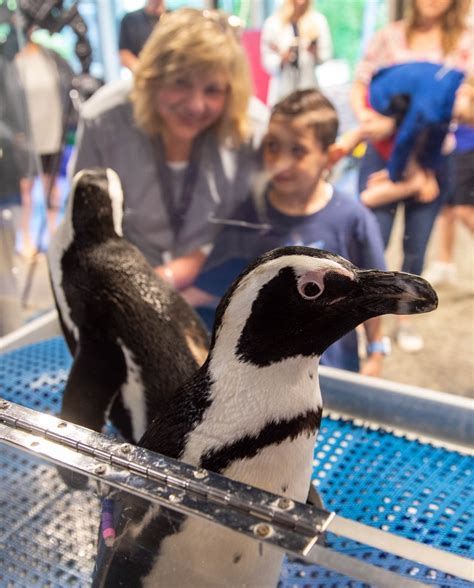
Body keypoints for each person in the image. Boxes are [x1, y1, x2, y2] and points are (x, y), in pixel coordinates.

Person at [184, 89, 388, 376]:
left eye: (298, 150)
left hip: (332, 371)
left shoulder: (352, 218)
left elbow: (373, 295)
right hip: (262, 373)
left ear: (330, 157)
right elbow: (214, 288)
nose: (280, 161)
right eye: (273, 146)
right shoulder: (247, 216)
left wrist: (376, 350)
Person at [71, 8, 268, 289]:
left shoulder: (252, 127)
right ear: (152, 78)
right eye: (180, 83)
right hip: (127, 285)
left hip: (221, 285)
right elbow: (87, 228)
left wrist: (191, 266)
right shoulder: (104, 122)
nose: (195, 106)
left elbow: (265, 219)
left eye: (212, 90)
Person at [350, 0, 473, 352]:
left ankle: (404, 319)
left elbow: (466, 107)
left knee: (415, 249)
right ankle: (366, 327)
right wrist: (369, 121)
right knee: (372, 244)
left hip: (435, 160)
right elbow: (361, 84)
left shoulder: (465, 42)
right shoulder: (387, 37)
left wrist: (452, 109)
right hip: (383, 153)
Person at [339, 64, 472, 209]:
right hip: (380, 103)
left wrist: (429, 167)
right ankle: (378, 191)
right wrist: (394, 173)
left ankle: (403, 178)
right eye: (460, 116)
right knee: (374, 195)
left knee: (427, 139)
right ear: (464, 93)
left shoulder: (452, 80)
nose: (456, 120)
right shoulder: (432, 105)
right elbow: (405, 138)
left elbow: (437, 138)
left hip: (394, 98)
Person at [14, 29, 75, 256]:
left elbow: (67, 84)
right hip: (26, 137)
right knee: (27, 189)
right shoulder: (14, 65)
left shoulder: (52, 58)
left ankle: (53, 234)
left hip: (52, 131)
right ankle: (27, 238)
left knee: (52, 187)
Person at [261, 0, 332, 106]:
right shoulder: (273, 23)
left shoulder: (318, 21)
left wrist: (315, 51)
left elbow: (325, 54)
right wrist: (282, 59)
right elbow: (267, 59)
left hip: (309, 85)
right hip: (283, 88)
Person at [118, 0, 165, 72]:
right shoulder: (130, 19)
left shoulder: (173, 17)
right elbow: (124, 54)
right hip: (142, 75)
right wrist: (143, 72)